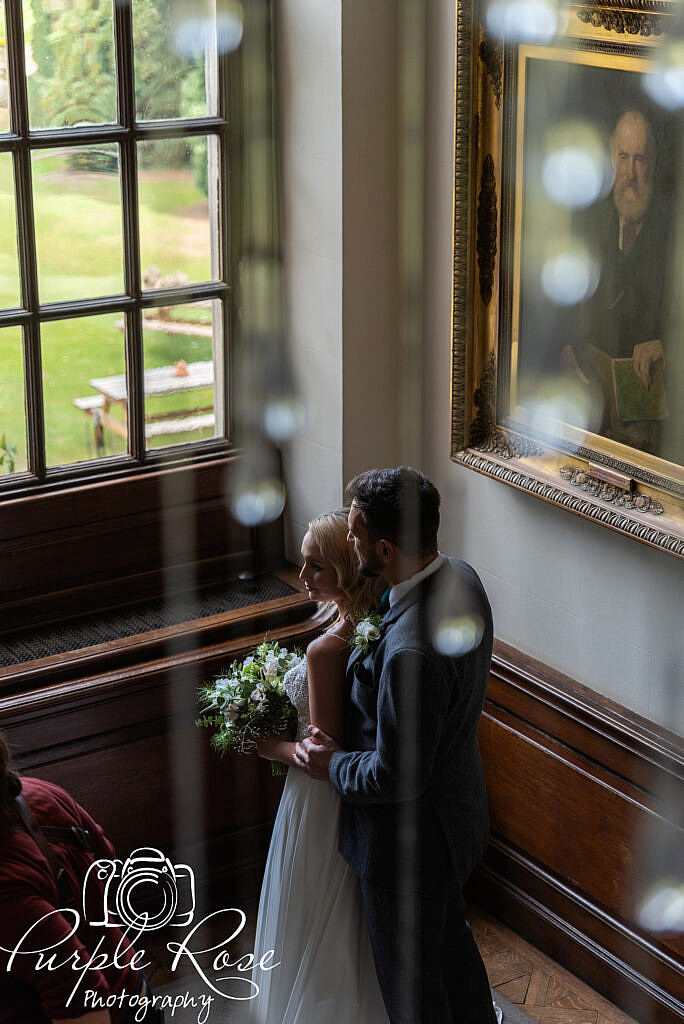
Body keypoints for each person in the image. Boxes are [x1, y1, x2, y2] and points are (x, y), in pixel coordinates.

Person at [296, 467, 497, 1024]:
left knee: (412, 990)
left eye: (356, 533)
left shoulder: (411, 652)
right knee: (451, 950)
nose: (350, 540)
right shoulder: (460, 576)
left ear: (383, 548)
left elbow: (392, 776)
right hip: (458, 812)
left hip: (409, 847)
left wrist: (330, 762)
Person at [249, 509, 388, 1023]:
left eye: (316, 567)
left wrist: (265, 745)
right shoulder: (366, 624)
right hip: (356, 788)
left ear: (345, 571)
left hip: (322, 798)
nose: (303, 576)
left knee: (314, 909)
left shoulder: (326, 650)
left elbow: (317, 756)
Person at [0, 734, 159, 1024]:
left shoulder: (7, 887)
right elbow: (106, 858)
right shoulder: (39, 793)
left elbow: (86, 1005)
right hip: (130, 981)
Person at [561, 108, 673, 454]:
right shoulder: (591, 220)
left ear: (653, 165)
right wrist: (564, 350)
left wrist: (666, 345)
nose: (630, 174)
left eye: (640, 160)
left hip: (652, 417)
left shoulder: (673, 231)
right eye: (623, 158)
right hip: (588, 403)